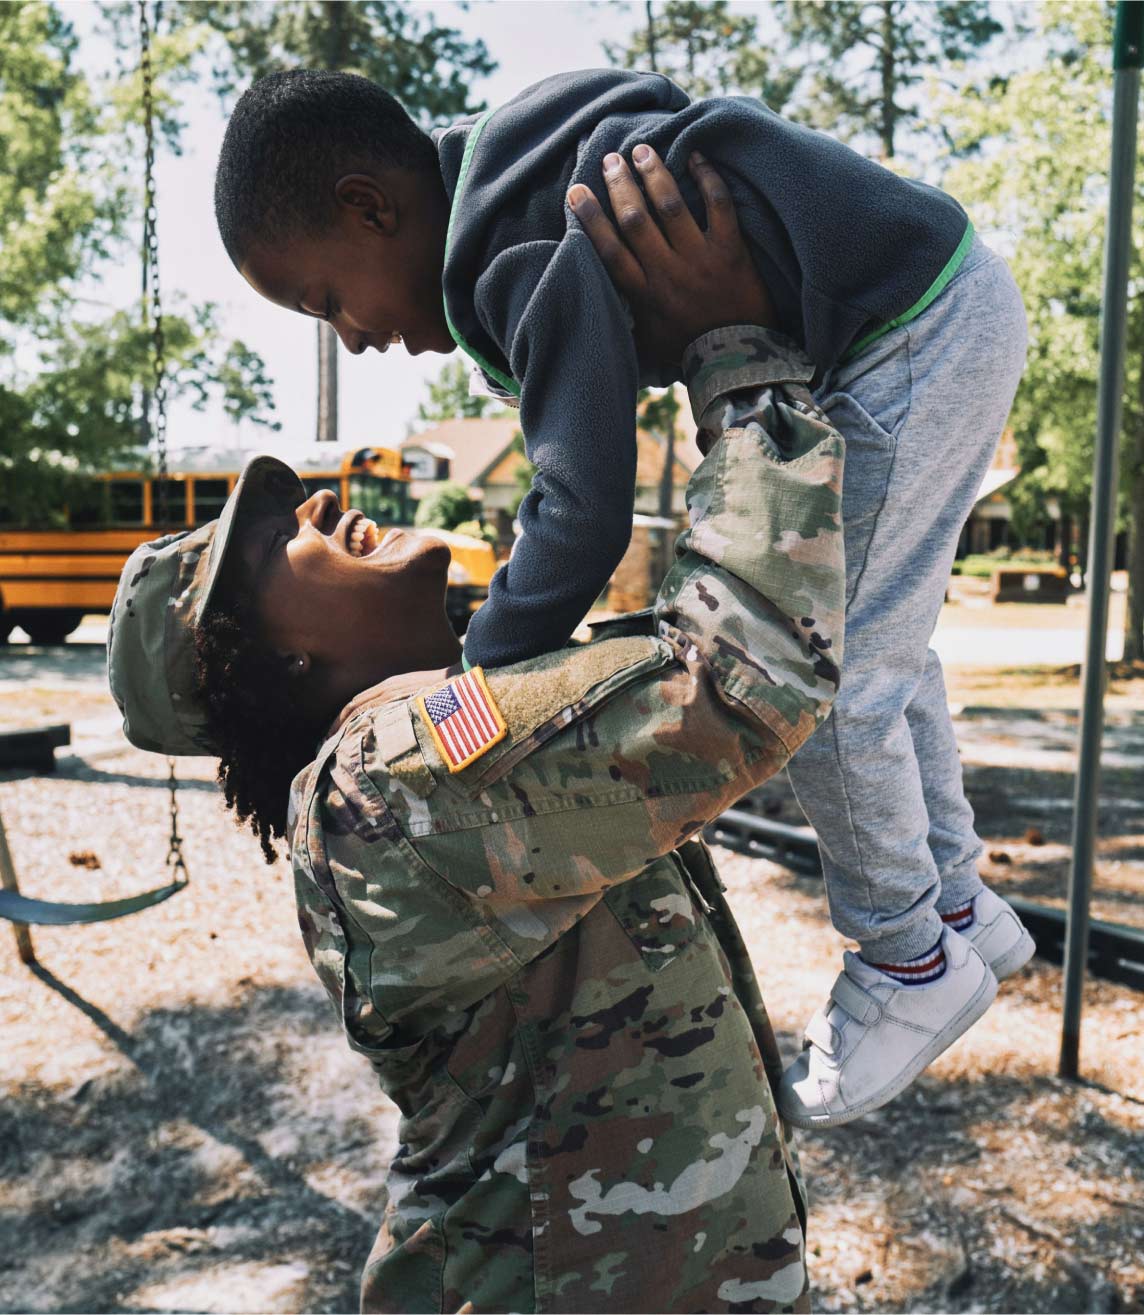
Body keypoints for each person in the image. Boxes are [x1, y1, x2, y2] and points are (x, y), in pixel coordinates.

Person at [212, 67, 1032, 1127]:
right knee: (888, 644)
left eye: (327, 301)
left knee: (835, 677)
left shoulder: (502, 256)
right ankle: (960, 900)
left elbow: (580, 509)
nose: (353, 337)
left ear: (370, 206)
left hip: (896, 342)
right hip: (935, 303)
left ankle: (908, 957)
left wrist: (484, 667)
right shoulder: (516, 164)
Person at [108, 170, 845, 1313]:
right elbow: (743, 680)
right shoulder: (385, 785)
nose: (308, 505)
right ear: (273, 666)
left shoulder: (437, 738)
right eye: (269, 543)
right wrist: (730, 350)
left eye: (281, 499)